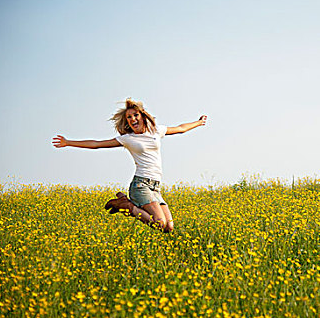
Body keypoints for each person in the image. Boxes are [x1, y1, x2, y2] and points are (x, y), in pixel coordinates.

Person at [52, 98, 207, 232]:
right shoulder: (128, 139)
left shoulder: (156, 131)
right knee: (160, 223)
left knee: (168, 228)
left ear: (143, 115)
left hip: (155, 186)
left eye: (135, 115)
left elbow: (180, 129)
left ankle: (124, 202)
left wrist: (199, 123)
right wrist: (69, 142)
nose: (132, 119)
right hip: (141, 185)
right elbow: (97, 144)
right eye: (129, 118)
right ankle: (128, 206)